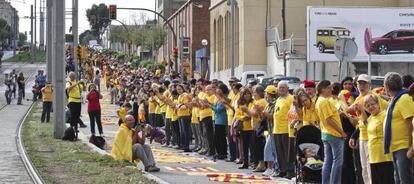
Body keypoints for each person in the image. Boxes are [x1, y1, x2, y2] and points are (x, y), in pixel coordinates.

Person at [383, 72, 414, 184]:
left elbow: (411, 123)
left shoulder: (404, 98)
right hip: (396, 147)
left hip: (404, 146)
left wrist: (411, 146)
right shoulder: (395, 99)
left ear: (386, 87)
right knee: (399, 179)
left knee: (405, 179)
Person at [315, 80, 347, 184]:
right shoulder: (324, 101)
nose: (331, 90)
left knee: (328, 161)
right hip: (333, 134)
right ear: (323, 89)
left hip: (326, 133)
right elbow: (329, 119)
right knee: (337, 161)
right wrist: (341, 131)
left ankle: (326, 182)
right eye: (329, 88)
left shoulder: (320, 100)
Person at [360, 94, 394, 184]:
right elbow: (365, 123)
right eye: (367, 106)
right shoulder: (370, 118)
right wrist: (361, 111)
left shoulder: (385, 115)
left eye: (372, 104)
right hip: (373, 156)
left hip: (385, 156)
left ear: (378, 104)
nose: (370, 107)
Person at [272, 81, 293, 177]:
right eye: (280, 88)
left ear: (287, 88)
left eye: (283, 87)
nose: (281, 89)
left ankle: (289, 170)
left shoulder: (290, 98)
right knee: (279, 152)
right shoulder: (279, 99)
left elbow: (292, 113)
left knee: (286, 152)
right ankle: (282, 170)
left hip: (286, 129)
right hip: (276, 129)